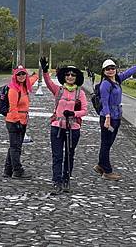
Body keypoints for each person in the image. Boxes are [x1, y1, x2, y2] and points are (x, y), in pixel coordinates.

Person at [94, 54, 136, 180]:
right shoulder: (105, 84)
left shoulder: (117, 80)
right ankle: (107, 171)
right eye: (107, 68)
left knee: (108, 143)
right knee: (106, 143)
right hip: (109, 117)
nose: (110, 70)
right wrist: (108, 117)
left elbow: (128, 72)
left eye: (112, 68)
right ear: (103, 71)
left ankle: (100, 165)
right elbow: (104, 102)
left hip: (116, 115)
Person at [40, 57, 88, 195]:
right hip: (57, 126)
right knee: (57, 156)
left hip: (73, 128)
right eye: (67, 74)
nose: (70, 77)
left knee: (69, 155)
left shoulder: (81, 93)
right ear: (64, 76)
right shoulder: (58, 90)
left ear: (76, 77)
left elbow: (85, 110)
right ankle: (57, 181)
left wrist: (73, 113)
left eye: (73, 75)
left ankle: (66, 179)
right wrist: (44, 71)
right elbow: (48, 83)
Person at [3, 65, 33, 179]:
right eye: (18, 74)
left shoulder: (24, 87)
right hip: (14, 120)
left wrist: (40, 73)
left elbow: (32, 80)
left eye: (23, 74)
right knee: (16, 147)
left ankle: (7, 170)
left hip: (23, 119)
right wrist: (17, 122)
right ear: (15, 76)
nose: (21, 76)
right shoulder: (14, 89)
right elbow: (13, 107)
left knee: (14, 146)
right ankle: (17, 170)